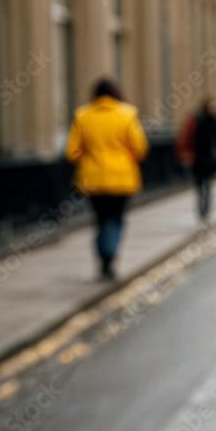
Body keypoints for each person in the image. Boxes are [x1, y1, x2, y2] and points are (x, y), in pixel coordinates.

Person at [65, 77, 149, 281]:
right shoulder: (127, 114)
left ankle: (104, 259)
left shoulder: (83, 115)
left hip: (93, 178)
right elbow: (140, 148)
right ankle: (109, 255)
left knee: (100, 219)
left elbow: (72, 151)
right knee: (116, 218)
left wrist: (89, 157)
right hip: (121, 178)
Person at [176, 97, 216, 225]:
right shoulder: (197, 119)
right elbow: (185, 138)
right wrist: (186, 156)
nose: (214, 109)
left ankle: (206, 212)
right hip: (197, 159)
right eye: (212, 107)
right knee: (200, 187)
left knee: (208, 186)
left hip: (211, 160)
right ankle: (201, 212)